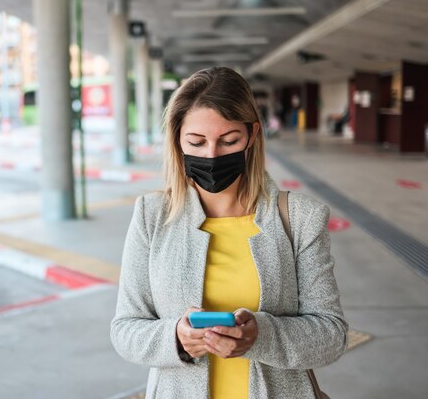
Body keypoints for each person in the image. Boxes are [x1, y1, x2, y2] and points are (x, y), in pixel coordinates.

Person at [110, 67, 348, 399]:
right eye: (196, 141)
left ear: (252, 135)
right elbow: (125, 330)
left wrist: (260, 336)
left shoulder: (300, 217)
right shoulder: (152, 216)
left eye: (228, 140)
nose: (211, 155)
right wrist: (176, 339)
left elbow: (331, 335)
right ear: (177, 139)